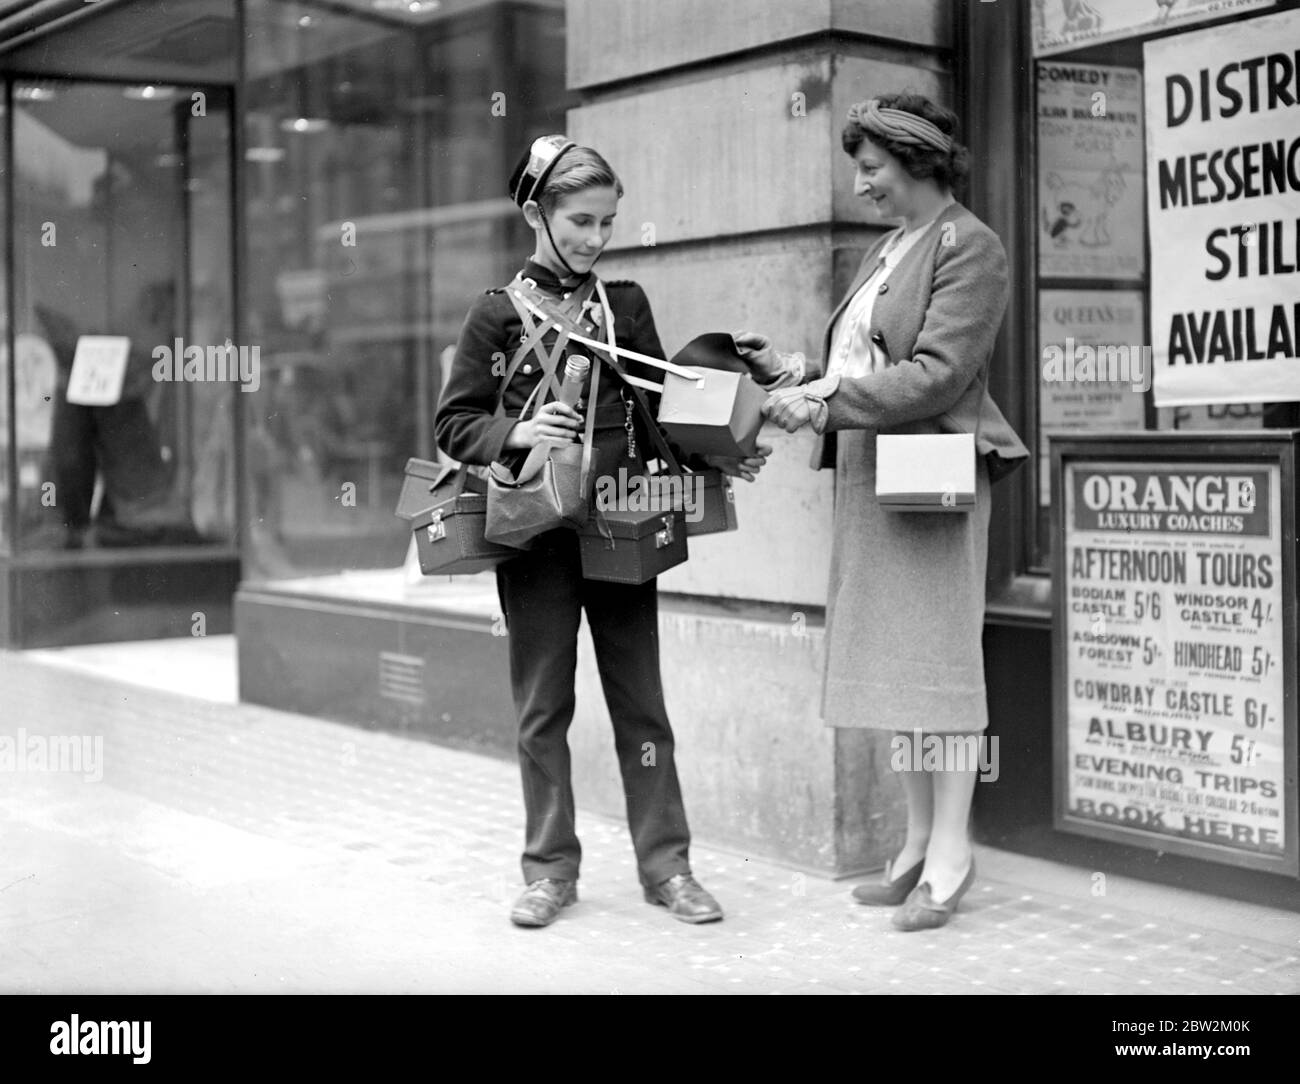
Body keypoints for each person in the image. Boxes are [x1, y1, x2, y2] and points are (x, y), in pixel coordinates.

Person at [435, 135, 769, 928]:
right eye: (580, 220)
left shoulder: (625, 306)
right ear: (534, 213)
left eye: (607, 223)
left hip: (622, 524)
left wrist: (725, 449)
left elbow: (658, 416)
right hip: (534, 539)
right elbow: (454, 425)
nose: (594, 238)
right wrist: (513, 433)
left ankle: (668, 867)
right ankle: (549, 870)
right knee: (543, 708)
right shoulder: (494, 313)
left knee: (642, 706)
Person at [734, 94, 1028, 931]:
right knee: (899, 669)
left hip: (933, 474)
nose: (860, 186)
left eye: (871, 169)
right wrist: (792, 369)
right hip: (876, 472)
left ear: (916, 161)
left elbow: (937, 375)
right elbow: (860, 365)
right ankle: (914, 844)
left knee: (938, 667)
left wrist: (821, 405)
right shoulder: (891, 248)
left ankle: (952, 854)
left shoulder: (972, 246)